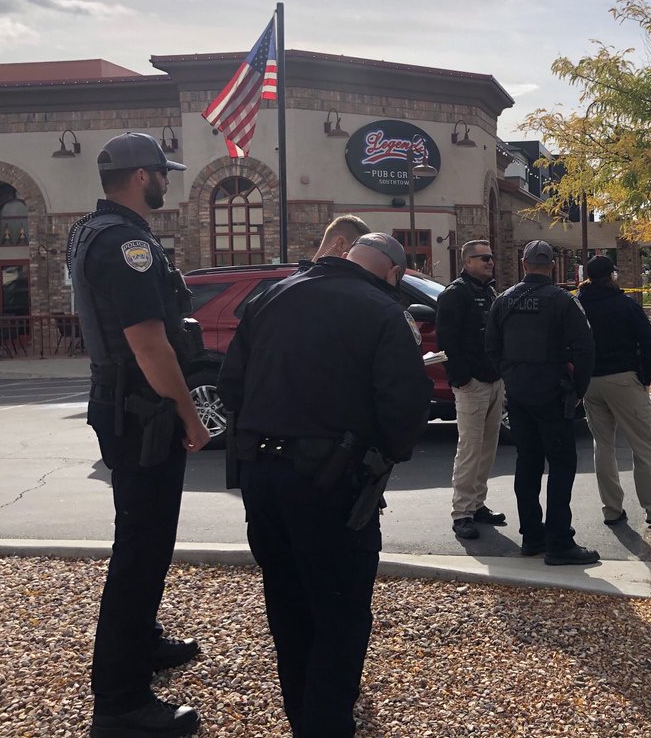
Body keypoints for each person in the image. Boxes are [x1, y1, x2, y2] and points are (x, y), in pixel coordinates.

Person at [218, 232, 432, 738]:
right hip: (330, 481)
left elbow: (231, 386)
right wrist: (375, 454)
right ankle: (326, 726)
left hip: (261, 476)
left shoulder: (271, 295)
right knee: (340, 609)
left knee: (287, 602)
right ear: (393, 273)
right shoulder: (383, 310)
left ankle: (304, 718)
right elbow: (404, 406)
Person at [66, 131, 211, 738]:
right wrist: (190, 412)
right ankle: (121, 702)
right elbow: (149, 342)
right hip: (143, 407)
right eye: (161, 171)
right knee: (142, 550)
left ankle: (143, 643)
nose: (166, 179)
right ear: (138, 176)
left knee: (144, 538)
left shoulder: (90, 230)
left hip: (122, 401)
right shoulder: (127, 244)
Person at [485, 240, 599, 566]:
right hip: (554, 394)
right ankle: (559, 542)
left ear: (523, 263)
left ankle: (532, 537)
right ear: (551, 266)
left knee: (528, 463)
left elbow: (491, 346)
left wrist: (510, 376)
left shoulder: (504, 300)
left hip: (519, 396)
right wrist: (579, 388)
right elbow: (585, 347)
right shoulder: (564, 301)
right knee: (561, 466)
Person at [576, 255, 651, 528]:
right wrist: (644, 376)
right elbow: (648, 344)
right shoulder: (625, 305)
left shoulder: (577, 305)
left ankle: (612, 509)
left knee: (602, 445)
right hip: (624, 378)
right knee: (645, 443)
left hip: (590, 381)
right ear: (612, 275)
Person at [437, 239, 508, 540]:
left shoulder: (488, 292)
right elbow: (446, 341)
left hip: (494, 380)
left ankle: (477, 505)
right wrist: (462, 378)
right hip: (472, 384)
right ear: (467, 262)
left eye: (491, 257)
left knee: (487, 449)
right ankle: (462, 513)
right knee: (469, 449)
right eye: (483, 259)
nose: (490, 262)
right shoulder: (455, 294)